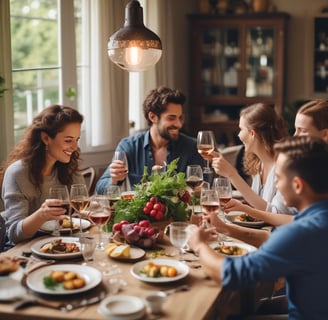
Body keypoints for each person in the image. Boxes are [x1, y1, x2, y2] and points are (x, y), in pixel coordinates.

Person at [188, 136, 328, 320]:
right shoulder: (316, 218)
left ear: (297, 185)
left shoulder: (303, 232)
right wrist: (225, 228)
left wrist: (199, 245)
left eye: (278, 178)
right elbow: (273, 241)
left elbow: (231, 274)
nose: (276, 185)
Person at [222, 99, 328, 227]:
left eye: (302, 130)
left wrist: (232, 176)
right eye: (295, 129)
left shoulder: (293, 166)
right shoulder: (308, 166)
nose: (294, 136)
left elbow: (289, 218)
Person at [0, 104, 85, 245]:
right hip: (24, 250)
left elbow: (80, 213)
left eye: (77, 140)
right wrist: (41, 215)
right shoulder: (18, 173)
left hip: (63, 242)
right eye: (68, 140)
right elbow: (14, 234)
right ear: (46, 138)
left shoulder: (69, 168)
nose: (75, 147)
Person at [95, 86, 204, 193]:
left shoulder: (192, 147)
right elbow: (99, 189)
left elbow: (204, 187)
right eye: (171, 118)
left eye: (180, 118)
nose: (178, 124)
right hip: (140, 210)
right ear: (153, 117)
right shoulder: (129, 146)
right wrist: (113, 180)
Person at [211, 103, 293, 215]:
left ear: (252, 133)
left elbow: (277, 214)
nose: (239, 135)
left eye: (241, 129)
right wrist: (242, 206)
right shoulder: (259, 163)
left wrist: (232, 175)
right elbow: (258, 204)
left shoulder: (283, 166)